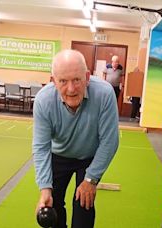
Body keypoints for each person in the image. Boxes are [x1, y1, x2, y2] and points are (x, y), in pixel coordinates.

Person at [33, 49, 119, 228]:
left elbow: (109, 141)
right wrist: (44, 189)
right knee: (52, 203)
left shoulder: (104, 93)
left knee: (83, 206)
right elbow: (41, 147)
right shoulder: (44, 100)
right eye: (63, 81)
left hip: (89, 156)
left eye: (77, 80)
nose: (71, 89)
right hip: (58, 155)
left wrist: (91, 179)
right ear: (53, 81)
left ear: (87, 77)